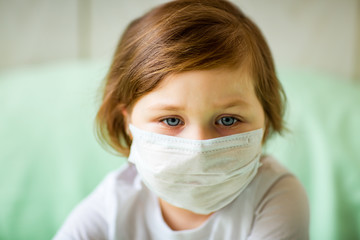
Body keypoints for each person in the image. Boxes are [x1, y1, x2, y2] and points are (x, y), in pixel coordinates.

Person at [54, 0, 309, 239]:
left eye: (229, 120)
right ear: (128, 123)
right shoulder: (112, 206)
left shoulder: (275, 196)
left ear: (265, 121)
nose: (199, 147)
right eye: (172, 121)